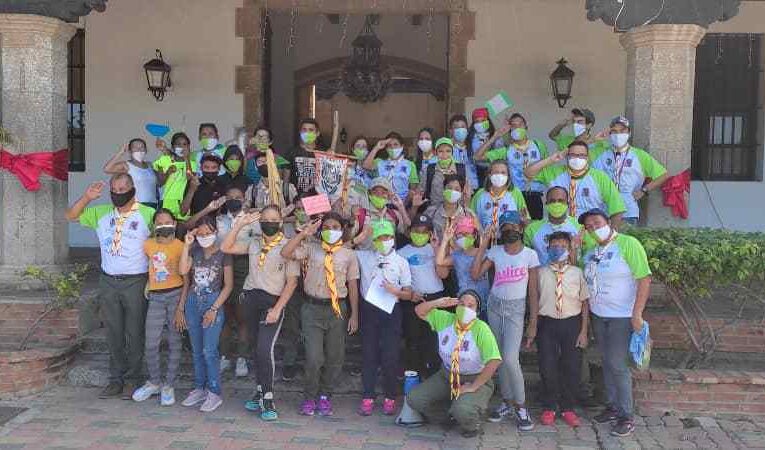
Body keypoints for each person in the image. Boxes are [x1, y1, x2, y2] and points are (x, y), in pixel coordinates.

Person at [65, 174, 154, 399]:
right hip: (108, 280)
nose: (118, 192)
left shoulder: (148, 214)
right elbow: (71, 215)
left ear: (133, 189)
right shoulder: (101, 212)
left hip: (136, 281)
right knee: (113, 332)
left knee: (134, 332)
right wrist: (87, 197)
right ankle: (116, 379)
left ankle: (134, 379)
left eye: (123, 188)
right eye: (114, 189)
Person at [220, 206, 299, 421]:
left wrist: (277, 309)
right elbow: (226, 247)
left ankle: (269, 397)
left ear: (281, 222)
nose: (269, 223)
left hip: (272, 303)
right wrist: (241, 224)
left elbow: (291, 283)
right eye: (265, 219)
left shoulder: (288, 247)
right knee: (255, 348)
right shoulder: (254, 242)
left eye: (274, 219)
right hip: (250, 299)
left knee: (265, 349)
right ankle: (259, 390)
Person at [579, 208, 651, 438]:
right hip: (599, 315)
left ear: (608, 222)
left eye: (596, 223)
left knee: (618, 364)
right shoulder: (590, 251)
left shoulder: (629, 244)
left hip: (622, 316)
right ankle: (612, 406)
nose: (593, 228)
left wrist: (637, 313)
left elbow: (644, 279)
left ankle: (626, 415)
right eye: (588, 227)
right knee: (606, 361)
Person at [280, 213, 360, 416]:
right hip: (312, 308)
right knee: (314, 357)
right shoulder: (311, 248)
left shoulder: (349, 254)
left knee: (335, 356)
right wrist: (303, 234)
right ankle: (309, 396)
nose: (330, 230)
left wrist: (354, 315)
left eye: (335, 226)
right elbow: (286, 252)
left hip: (337, 309)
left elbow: (352, 286)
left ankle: (325, 395)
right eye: (326, 226)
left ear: (342, 229)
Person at [470, 210, 539, 431]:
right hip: (495, 306)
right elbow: (475, 274)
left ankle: (521, 405)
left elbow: (534, 292)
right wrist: (483, 246)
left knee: (511, 358)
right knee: (498, 358)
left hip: (516, 309)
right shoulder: (495, 252)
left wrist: (533, 322)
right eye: (505, 227)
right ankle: (507, 402)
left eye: (513, 226)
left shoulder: (529, 255)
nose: (510, 230)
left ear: (521, 228)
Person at [407, 291, 502, 438]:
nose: (465, 309)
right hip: (447, 375)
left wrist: (473, 386)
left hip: (474, 378)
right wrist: (438, 303)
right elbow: (419, 310)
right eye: (462, 304)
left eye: (471, 306)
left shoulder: (481, 328)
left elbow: (494, 360)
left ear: (477, 310)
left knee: (463, 410)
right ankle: (448, 415)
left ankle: (471, 424)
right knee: (415, 398)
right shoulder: (446, 319)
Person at [532, 231, 589, 428]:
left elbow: (584, 303)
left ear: (569, 249)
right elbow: (534, 300)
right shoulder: (540, 272)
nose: (558, 249)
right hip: (547, 323)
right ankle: (549, 406)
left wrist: (583, 331)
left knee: (572, 366)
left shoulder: (577, 273)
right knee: (547, 366)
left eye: (563, 246)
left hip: (571, 324)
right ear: (548, 249)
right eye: (554, 245)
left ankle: (568, 408)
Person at [356, 219, 413, 416]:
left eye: (387, 236)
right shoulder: (364, 257)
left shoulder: (401, 262)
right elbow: (344, 248)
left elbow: (409, 293)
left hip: (391, 310)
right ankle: (368, 396)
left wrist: (395, 290)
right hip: (369, 309)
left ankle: (390, 395)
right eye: (379, 237)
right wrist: (362, 234)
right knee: (369, 354)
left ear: (393, 238)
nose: (383, 240)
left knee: (391, 355)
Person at [132, 209, 187, 406]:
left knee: (174, 341)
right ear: (154, 225)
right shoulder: (147, 245)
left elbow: (186, 279)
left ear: (174, 224)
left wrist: (181, 306)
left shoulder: (181, 247)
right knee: (151, 342)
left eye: (167, 222)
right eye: (159, 222)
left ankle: (169, 385)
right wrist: (148, 282)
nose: (163, 225)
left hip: (175, 295)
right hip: (155, 298)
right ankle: (154, 381)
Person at [178, 217, 234, 412]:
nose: (204, 237)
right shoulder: (193, 251)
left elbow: (228, 286)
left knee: (209, 351)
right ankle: (199, 388)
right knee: (196, 350)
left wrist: (213, 309)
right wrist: (186, 245)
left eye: (207, 233)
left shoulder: (224, 254)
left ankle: (214, 392)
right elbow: (183, 270)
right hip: (193, 302)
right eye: (200, 234)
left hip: (213, 302)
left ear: (216, 233)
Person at [524, 141, 626, 228]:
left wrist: (611, 234)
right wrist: (551, 159)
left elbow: (617, 209)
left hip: (590, 231)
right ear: (567, 156)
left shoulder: (600, 177)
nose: (577, 158)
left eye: (581, 155)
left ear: (587, 157)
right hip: (561, 231)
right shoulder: (554, 173)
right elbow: (528, 173)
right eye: (573, 155)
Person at [590, 116, 668, 225]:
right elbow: (574, 152)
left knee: (626, 241)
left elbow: (663, 175)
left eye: (622, 131)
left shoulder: (639, 155)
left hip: (628, 212)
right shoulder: (599, 153)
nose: (618, 135)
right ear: (610, 134)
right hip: (602, 211)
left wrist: (643, 190)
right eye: (614, 131)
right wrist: (594, 139)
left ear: (629, 133)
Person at [398, 215, 449, 378]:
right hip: (412, 300)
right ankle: (413, 378)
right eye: (416, 231)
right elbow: (397, 280)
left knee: (434, 341)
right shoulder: (401, 253)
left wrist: (436, 250)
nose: (420, 234)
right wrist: (409, 294)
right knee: (413, 340)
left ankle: (432, 378)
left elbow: (443, 274)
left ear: (430, 233)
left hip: (435, 299)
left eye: (424, 231)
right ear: (410, 231)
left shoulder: (437, 250)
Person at [475, 113, 548, 220]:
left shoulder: (538, 145)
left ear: (526, 126)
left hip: (535, 196)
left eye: (520, 124)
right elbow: (477, 156)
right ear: (510, 129)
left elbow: (546, 167)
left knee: (534, 229)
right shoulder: (507, 150)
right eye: (513, 125)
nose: (517, 128)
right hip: (516, 195)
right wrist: (496, 136)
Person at [435, 216, 490, 318]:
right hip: (464, 304)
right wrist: (445, 239)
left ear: (474, 235)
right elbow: (439, 261)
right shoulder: (457, 255)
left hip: (484, 305)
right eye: (460, 234)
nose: (463, 237)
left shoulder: (486, 254)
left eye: (467, 233)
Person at [524, 186, 583, 265]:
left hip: (571, 275)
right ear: (546, 204)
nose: (556, 204)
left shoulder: (579, 227)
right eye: (552, 201)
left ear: (568, 204)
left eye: (560, 201)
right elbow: (525, 258)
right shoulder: (531, 229)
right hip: (543, 275)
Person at [348, 177, 410, 250]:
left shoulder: (394, 214)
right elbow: (348, 239)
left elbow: (408, 232)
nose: (379, 195)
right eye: (375, 192)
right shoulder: (361, 214)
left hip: (387, 259)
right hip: (364, 258)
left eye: (383, 192)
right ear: (369, 194)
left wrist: (401, 207)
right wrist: (352, 220)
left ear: (389, 196)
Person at [470, 160, 529, 231]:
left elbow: (525, 218)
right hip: (485, 239)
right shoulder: (480, 194)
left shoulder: (516, 193)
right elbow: (471, 218)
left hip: (508, 239)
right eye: (496, 172)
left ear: (508, 176)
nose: (499, 175)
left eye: (503, 173)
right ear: (489, 175)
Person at [362, 132, 419, 202]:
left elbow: (412, 189)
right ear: (386, 148)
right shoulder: (380, 162)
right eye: (389, 145)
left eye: (396, 144)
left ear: (402, 146)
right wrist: (377, 147)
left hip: (401, 205)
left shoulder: (410, 165)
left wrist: (403, 207)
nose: (392, 148)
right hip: (381, 204)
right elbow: (365, 165)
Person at [154, 132, 199, 220]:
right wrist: (168, 173)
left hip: (184, 201)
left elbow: (189, 178)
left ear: (189, 147)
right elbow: (159, 183)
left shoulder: (192, 163)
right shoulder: (164, 160)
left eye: (185, 144)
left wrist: (186, 158)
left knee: (182, 228)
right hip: (167, 201)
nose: (182, 147)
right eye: (178, 144)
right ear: (173, 147)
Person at [103, 138, 158, 209]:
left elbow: (159, 183)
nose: (139, 150)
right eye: (135, 148)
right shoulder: (126, 165)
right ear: (130, 151)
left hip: (153, 204)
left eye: (142, 147)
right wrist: (120, 152)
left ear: (146, 150)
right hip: (135, 205)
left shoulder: (150, 165)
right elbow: (107, 169)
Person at [415, 137, 468, 210]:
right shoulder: (429, 170)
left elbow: (466, 194)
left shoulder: (461, 169)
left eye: (448, 151)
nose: (444, 154)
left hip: (456, 211)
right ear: (436, 153)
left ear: (452, 152)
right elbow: (421, 191)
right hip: (434, 211)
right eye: (440, 151)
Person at [422, 174, 476, 238]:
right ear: (443, 190)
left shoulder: (468, 214)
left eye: (457, 189)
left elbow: (477, 237)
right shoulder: (431, 212)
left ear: (461, 193)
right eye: (449, 188)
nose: (453, 191)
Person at [285, 118, 323, 194]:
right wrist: (286, 198)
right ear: (300, 132)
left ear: (317, 133)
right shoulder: (292, 152)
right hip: (296, 199)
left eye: (311, 130)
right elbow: (286, 179)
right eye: (304, 130)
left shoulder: (322, 153)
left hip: (317, 200)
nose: (307, 133)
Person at [467, 108, 504, 184]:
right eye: (477, 121)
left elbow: (499, 156)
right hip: (476, 173)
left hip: (493, 172)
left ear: (488, 121)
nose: (480, 123)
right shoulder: (470, 137)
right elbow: (474, 157)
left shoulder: (497, 136)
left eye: (483, 120)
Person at [448, 114, 479, 190]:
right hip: (454, 189)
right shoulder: (447, 148)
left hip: (473, 188)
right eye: (456, 127)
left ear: (467, 130)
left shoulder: (473, 147)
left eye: (462, 127)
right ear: (450, 131)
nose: (460, 130)